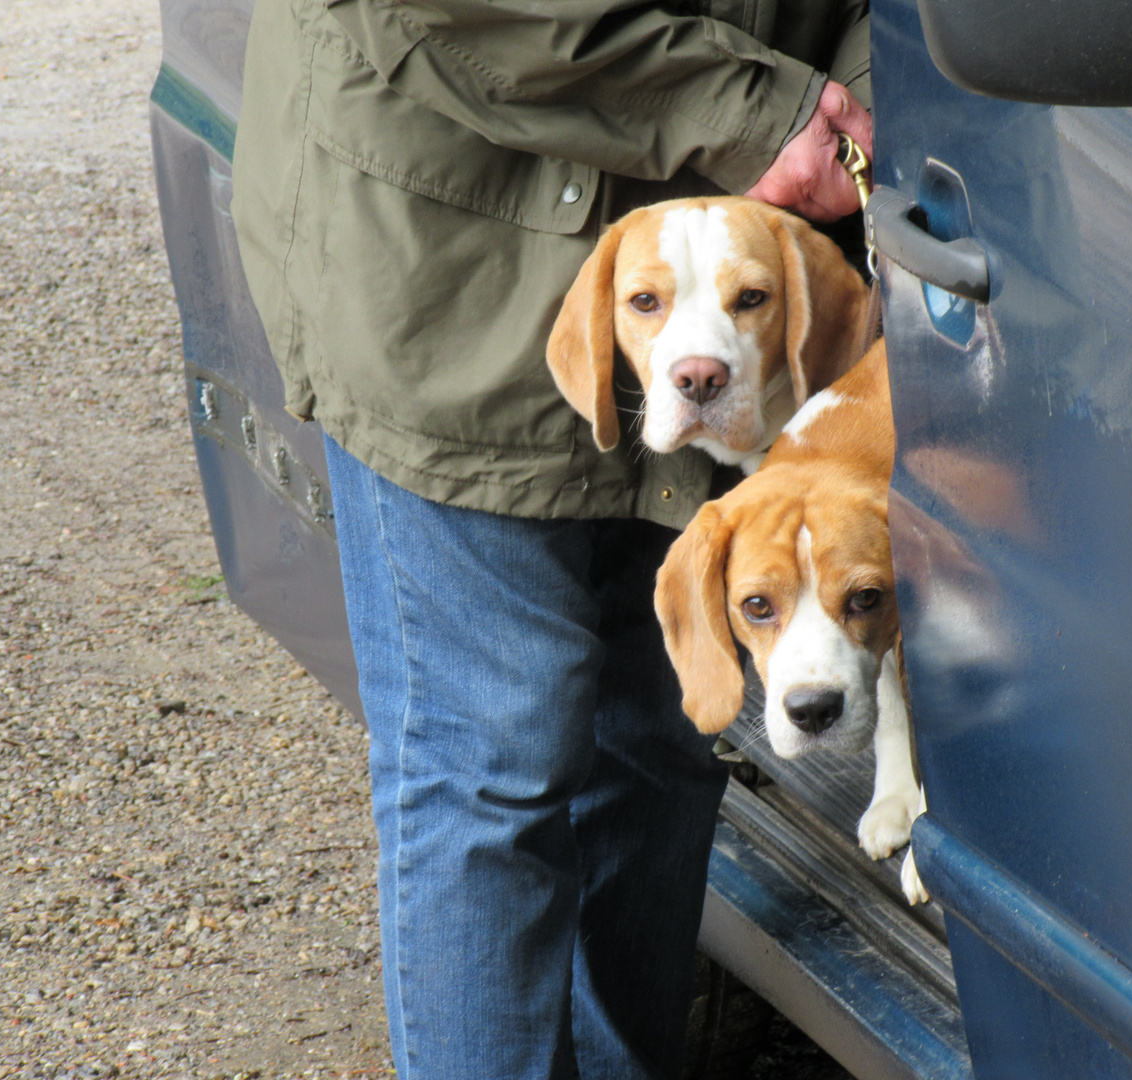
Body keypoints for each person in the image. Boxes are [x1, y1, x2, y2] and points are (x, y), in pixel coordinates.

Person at [230, 2, 873, 1076]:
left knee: (663, 748)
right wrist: (771, 110)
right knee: (493, 765)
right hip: (459, 280)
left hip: (730, 267)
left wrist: (875, 100)